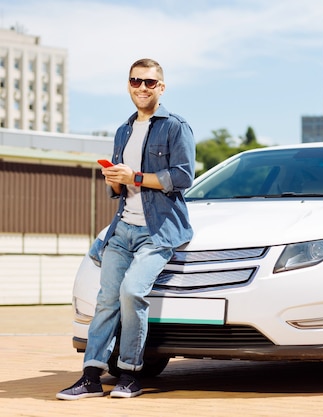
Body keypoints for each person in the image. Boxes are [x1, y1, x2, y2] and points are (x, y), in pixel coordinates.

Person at [57, 58, 196, 400]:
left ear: (161, 88)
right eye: (136, 81)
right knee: (106, 300)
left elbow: (182, 178)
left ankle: (131, 373)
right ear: (129, 85)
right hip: (122, 229)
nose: (142, 87)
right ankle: (90, 376)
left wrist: (133, 176)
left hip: (159, 230)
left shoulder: (176, 127)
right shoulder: (123, 130)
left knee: (132, 293)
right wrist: (115, 179)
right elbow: (121, 190)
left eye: (150, 82)